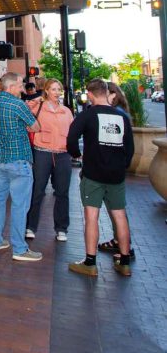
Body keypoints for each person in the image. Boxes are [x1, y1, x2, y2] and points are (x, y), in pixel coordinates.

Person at [66, 78, 134, 278]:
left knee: (91, 216)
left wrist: (77, 156)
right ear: (106, 92)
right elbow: (129, 148)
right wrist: (121, 165)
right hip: (116, 174)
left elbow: (71, 139)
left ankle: (90, 262)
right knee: (120, 215)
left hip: (93, 173)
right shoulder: (122, 116)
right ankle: (125, 260)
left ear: (90, 94)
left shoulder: (87, 115)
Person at [0, 72, 42, 261]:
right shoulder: (18, 104)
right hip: (18, 159)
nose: (22, 88)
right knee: (20, 204)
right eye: (20, 85)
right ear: (11, 87)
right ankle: (19, 249)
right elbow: (36, 127)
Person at [24, 78, 74, 242]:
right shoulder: (38, 106)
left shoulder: (66, 111)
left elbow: (72, 132)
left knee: (62, 192)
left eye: (58, 89)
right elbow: (24, 108)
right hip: (42, 153)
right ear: (46, 91)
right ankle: (31, 226)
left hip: (62, 154)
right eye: (53, 89)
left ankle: (61, 228)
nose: (57, 92)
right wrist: (38, 98)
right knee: (37, 190)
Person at [97, 82, 135, 261]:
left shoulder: (116, 114)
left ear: (112, 94)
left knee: (116, 210)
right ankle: (120, 241)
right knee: (116, 209)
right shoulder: (121, 112)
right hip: (115, 168)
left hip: (110, 169)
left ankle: (124, 246)